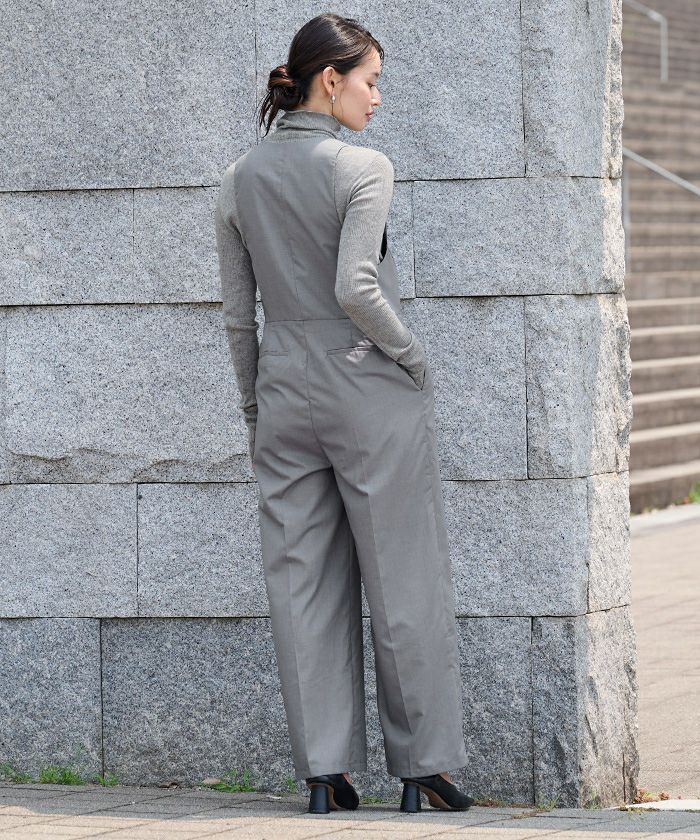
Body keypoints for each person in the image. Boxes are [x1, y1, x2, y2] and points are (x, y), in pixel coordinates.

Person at [215, 12, 474, 815]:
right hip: (367, 385)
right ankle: (422, 768)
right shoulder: (362, 167)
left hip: (283, 388)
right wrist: (415, 358)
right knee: (403, 575)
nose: (377, 98)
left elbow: (238, 318)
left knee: (302, 581)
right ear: (331, 80)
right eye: (371, 81)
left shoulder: (239, 178)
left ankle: (325, 775)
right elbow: (356, 287)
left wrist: (256, 405)